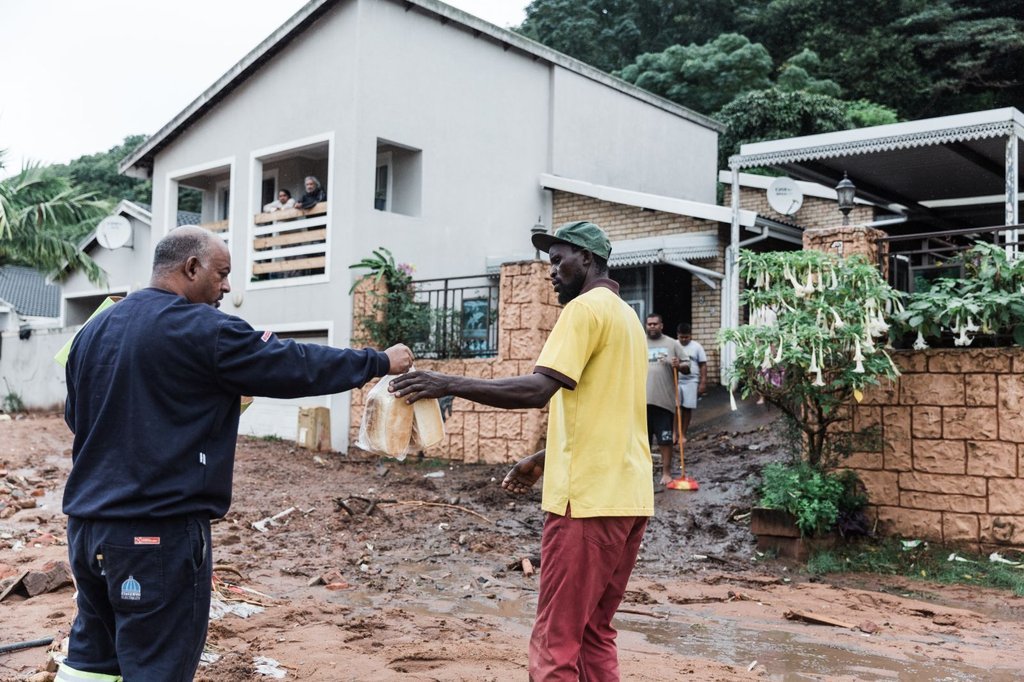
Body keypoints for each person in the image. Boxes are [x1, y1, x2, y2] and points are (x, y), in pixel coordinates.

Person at [58, 225, 412, 682]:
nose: (227, 286)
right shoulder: (204, 329)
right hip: (156, 536)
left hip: (87, 531)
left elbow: (79, 416)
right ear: (191, 268)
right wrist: (378, 362)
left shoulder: (94, 329)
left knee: (91, 658)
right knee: (156, 667)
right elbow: (294, 364)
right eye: (222, 273)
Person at [390, 221, 652, 681]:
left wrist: (446, 382)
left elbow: (537, 390)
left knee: (556, 639)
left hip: (585, 503)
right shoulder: (627, 318)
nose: (551, 271)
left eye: (558, 260)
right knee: (594, 633)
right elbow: (609, 411)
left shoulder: (583, 311)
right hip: (628, 498)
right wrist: (545, 457)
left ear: (587, 260)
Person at [645, 314, 689, 486]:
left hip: (663, 401)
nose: (652, 327)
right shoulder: (639, 342)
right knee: (643, 442)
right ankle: (644, 475)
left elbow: (687, 366)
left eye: (655, 324)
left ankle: (666, 473)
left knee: (665, 440)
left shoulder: (672, 344)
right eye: (649, 324)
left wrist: (679, 365)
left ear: (661, 326)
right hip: (641, 402)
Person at [676, 323, 708, 437]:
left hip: (691, 381)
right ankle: (675, 433)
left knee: (687, 407)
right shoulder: (674, 345)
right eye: (681, 337)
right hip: (676, 381)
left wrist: (703, 382)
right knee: (676, 407)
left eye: (686, 337)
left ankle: (683, 434)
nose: (684, 339)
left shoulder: (697, 347)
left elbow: (703, 364)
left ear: (691, 335)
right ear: (678, 335)